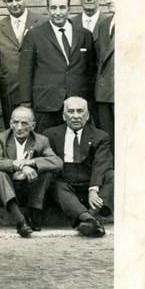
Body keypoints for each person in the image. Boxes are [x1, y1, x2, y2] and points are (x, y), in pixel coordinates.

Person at [19, 0, 97, 132]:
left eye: (62, 7)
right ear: (47, 10)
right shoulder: (34, 35)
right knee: (47, 144)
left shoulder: (84, 34)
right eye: (53, 8)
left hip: (77, 103)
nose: (58, 12)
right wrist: (26, 103)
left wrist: (89, 100)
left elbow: (91, 69)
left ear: (69, 9)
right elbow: (25, 71)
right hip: (47, 103)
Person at [0, 105, 62, 237]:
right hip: (7, 190)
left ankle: (33, 214)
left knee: (48, 173)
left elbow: (57, 162)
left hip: (30, 188)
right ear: (10, 123)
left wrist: (31, 162)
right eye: (15, 122)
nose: (19, 127)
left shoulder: (41, 140)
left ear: (33, 126)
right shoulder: (0, 138)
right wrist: (20, 166)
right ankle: (20, 221)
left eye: (24, 123)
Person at [44, 97, 114, 238]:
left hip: (90, 181)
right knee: (55, 184)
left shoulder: (100, 136)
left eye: (80, 111)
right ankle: (89, 221)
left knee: (112, 175)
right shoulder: (50, 134)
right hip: (65, 183)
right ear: (64, 116)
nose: (76, 116)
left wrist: (93, 189)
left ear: (87, 115)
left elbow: (102, 163)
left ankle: (88, 218)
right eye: (71, 111)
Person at [0, 0, 44, 122]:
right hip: (11, 90)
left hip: (39, 89)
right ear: (4, 3)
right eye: (9, 1)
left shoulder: (42, 22)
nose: (14, 4)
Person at [95, 0, 115, 142]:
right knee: (107, 138)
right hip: (103, 94)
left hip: (123, 93)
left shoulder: (138, 22)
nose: (108, 1)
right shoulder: (104, 24)